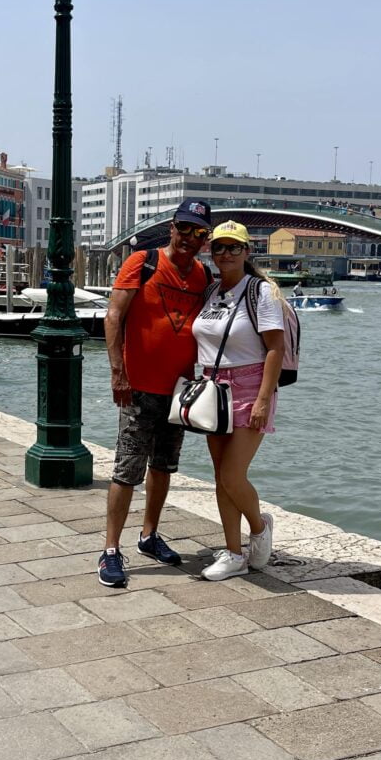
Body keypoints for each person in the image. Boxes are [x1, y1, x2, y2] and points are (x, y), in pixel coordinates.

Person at [98, 199, 213, 588]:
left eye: (198, 232)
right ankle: (111, 550)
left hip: (179, 392)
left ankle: (149, 535)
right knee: (126, 470)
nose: (188, 238)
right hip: (138, 388)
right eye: (184, 228)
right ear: (172, 228)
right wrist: (118, 373)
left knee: (164, 466)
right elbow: (113, 316)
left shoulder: (203, 275)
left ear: (205, 238)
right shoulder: (143, 261)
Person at [191, 221, 285, 580]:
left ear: (247, 252)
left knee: (233, 474)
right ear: (210, 253)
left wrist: (264, 399)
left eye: (233, 248)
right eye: (219, 248)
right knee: (220, 476)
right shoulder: (211, 292)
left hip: (250, 386)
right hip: (213, 389)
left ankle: (259, 527)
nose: (225, 254)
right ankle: (232, 552)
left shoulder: (261, 291)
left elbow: (276, 347)